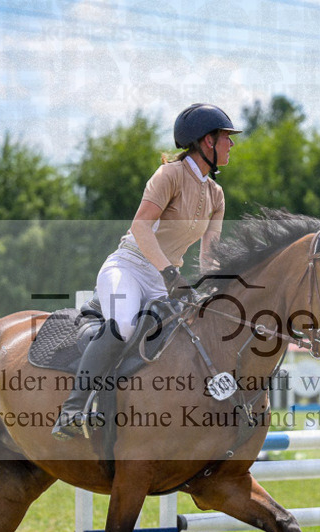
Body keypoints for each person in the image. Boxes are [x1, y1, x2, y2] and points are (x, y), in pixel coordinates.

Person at [52, 103, 242, 440]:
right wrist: (170, 275)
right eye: (227, 137)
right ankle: (73, 408)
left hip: (165, 279)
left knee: (190, 337)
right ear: (207, 141)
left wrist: (211, 288)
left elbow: (209, 249)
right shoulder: (169, 175)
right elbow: (141, 227)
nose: (232, 144)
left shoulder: (216, 194)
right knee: (123, 326)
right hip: (129, 267)